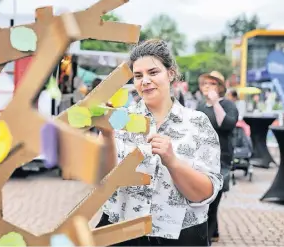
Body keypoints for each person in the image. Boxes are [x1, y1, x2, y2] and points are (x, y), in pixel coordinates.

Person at [96, 39, 223, 246]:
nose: (145, 80)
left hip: (180, 236)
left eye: (153, 72)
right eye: (138, 75)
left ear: (170, 73)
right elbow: (104, 181)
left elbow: (205, 193)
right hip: (123, 233)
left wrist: (172, 162)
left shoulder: (197, 123)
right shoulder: (120, 119)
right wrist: (107, 136)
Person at [196, 71, 239, 245]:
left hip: (221, 159)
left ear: (220, 87)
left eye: (212, 84)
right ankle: (213, 232)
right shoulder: (199, 106)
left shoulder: (227, 105)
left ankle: (207, 239)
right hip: (202, 158)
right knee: (205, 199)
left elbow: (227, 124)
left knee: (213, 199)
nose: (208, 86)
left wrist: (215, 103)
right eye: (205, 83)